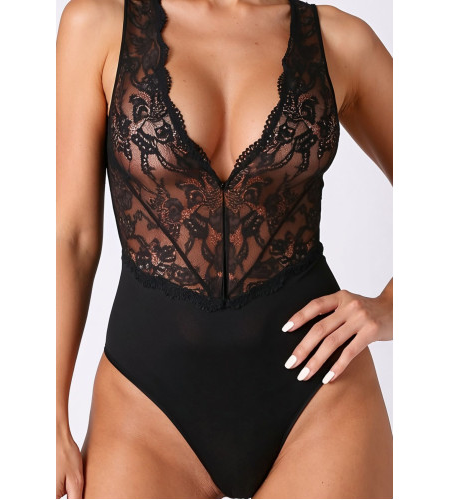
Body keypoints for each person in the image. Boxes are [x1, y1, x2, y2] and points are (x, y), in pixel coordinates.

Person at [57, 0, 393, 498]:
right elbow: (71, 237)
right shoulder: (100, 25)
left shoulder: (340, 41)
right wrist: (47, 412)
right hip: (144, 405)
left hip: (321, 397)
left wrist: (392, 306)